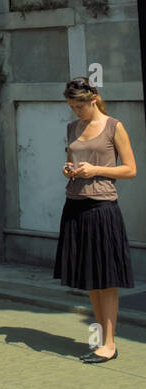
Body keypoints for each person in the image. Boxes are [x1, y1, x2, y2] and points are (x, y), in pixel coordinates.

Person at [53, 76, 137, 362]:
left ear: (92, 99)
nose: (76, 111)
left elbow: (130, 169)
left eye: (79, 106)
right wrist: (70, 170)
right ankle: (101, 340)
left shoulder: (114, 127)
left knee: (106, 278)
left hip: (102, 208)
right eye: (71, 107)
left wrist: (96, 170)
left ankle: (110, 344)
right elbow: (75, 160)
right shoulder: (72, 128)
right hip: (75, 206)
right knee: (91, 277)